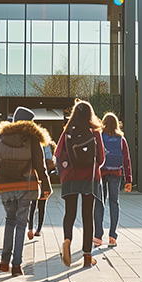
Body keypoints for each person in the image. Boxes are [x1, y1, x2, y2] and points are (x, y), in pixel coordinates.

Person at [0, 106, 52, 277]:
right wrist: (46, 186)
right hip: (25, 187)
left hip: (5, 186)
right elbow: (40, 166)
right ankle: (17, 265)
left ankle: (4, 261)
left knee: (9, 221)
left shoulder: (2, 135)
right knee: (21, 223)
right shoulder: (32, 138)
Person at [56, 100, 105, 268]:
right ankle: (87, 256)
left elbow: (58, 154)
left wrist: (65, 171)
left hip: (71, 177)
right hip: (89, 179)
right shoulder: (94, 132)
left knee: (69, 213)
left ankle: (67, 241)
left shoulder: (67, 131)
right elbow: (101, 158)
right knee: (87, 216)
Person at [93, 112, 133, 248]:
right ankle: (112, 236)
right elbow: (126, 161)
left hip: (101, 173)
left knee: (99, 203)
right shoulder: (121, 140)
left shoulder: (99, 137)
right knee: (114, 203)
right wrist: (128, 179)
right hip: (116, 174)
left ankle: (98, 237)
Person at [27, 140, 55, 239]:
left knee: (32, 204)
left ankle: (30, 228)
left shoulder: (29, 145)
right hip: (43, 179)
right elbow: (50, 163)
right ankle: (38, 229)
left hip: (34, 179)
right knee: (42, 206)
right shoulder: (47, 145)